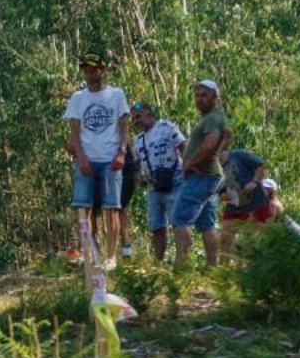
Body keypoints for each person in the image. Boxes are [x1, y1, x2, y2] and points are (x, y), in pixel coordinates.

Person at [63, 52, 132, 269]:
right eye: (86, 71)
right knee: (84, 209)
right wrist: (81, 158)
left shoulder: (117, 95)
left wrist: (121, 152)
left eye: (93, 70)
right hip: (87, 159)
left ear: (103, 70)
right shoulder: (78, 98)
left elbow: (124, 127)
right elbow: (74, 133)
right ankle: (90, 254)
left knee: (112, 208)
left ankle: (111, 257)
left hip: (110, 160)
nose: (90, 75)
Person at [172, 79, 229, 267]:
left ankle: (182, 267)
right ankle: (212, 268)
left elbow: (210, 144)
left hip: (202, 176)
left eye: (204, 95)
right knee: (207, 224)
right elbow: (223, 139)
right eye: (197, 95)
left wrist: (189, 164)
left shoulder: (213, 118)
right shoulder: (214, 117)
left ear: (215, 97)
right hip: (210, 176)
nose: (199, 99)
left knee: (181, 219)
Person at [132, 102, 186, 262]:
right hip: (153, 187)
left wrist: (188, 170)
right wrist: (139, 177)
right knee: (156, 226)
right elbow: (136, 165)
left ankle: (181, 262)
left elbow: (184, 147)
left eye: (139, 116)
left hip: (175, 181)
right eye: (134, 119)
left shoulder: (167, 127)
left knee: (178, 223)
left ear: (149, 113)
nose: (137, 121)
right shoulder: (138, 140)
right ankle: (158, 262)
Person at [220, 147, 270, 252]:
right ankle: (225, 262)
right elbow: (217, 190)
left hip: (255, 203)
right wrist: (222, 195)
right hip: (234, 206)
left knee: (252, 243)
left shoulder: (237, 155)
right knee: (224, 240)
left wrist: (254, 182)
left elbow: (260, 165)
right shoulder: (212, 167)